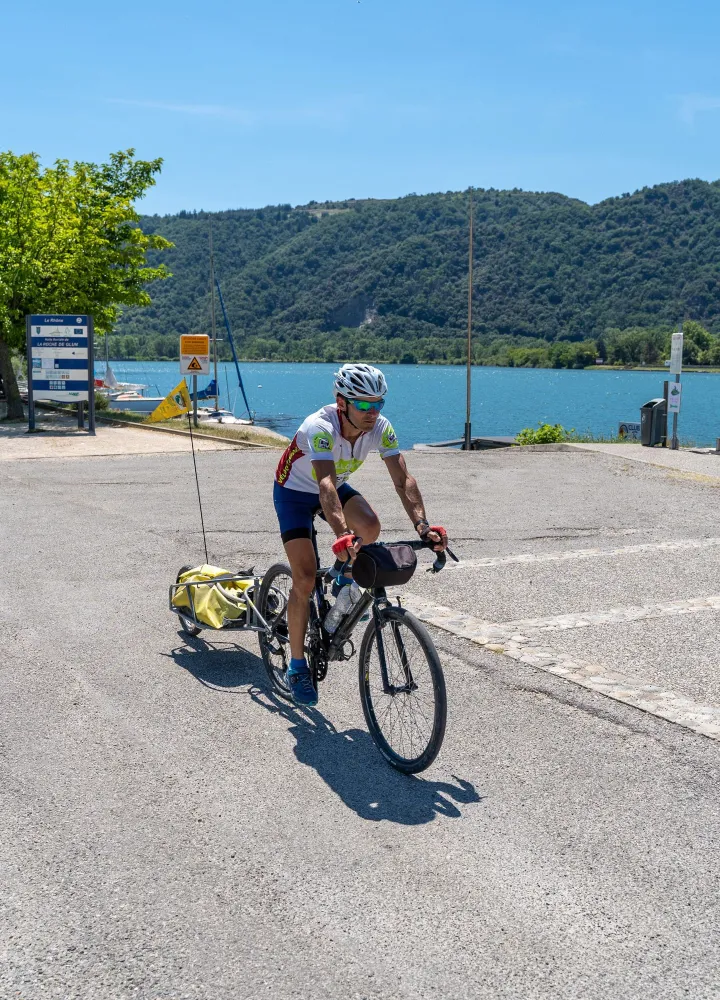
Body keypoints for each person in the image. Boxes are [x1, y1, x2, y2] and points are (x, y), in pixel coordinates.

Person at [272, 363, 448, 707]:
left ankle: (342, 579)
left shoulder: (380, 428)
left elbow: (403, 479)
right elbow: (323, 483)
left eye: (378, 403)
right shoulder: (319, 427)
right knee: (305, 578)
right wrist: (340, 534)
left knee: (369, 527)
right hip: (294, 493)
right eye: (364, 405)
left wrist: (423, 526)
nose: (373, 412)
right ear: (342, 402)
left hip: (333, 488)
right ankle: (296, 666)